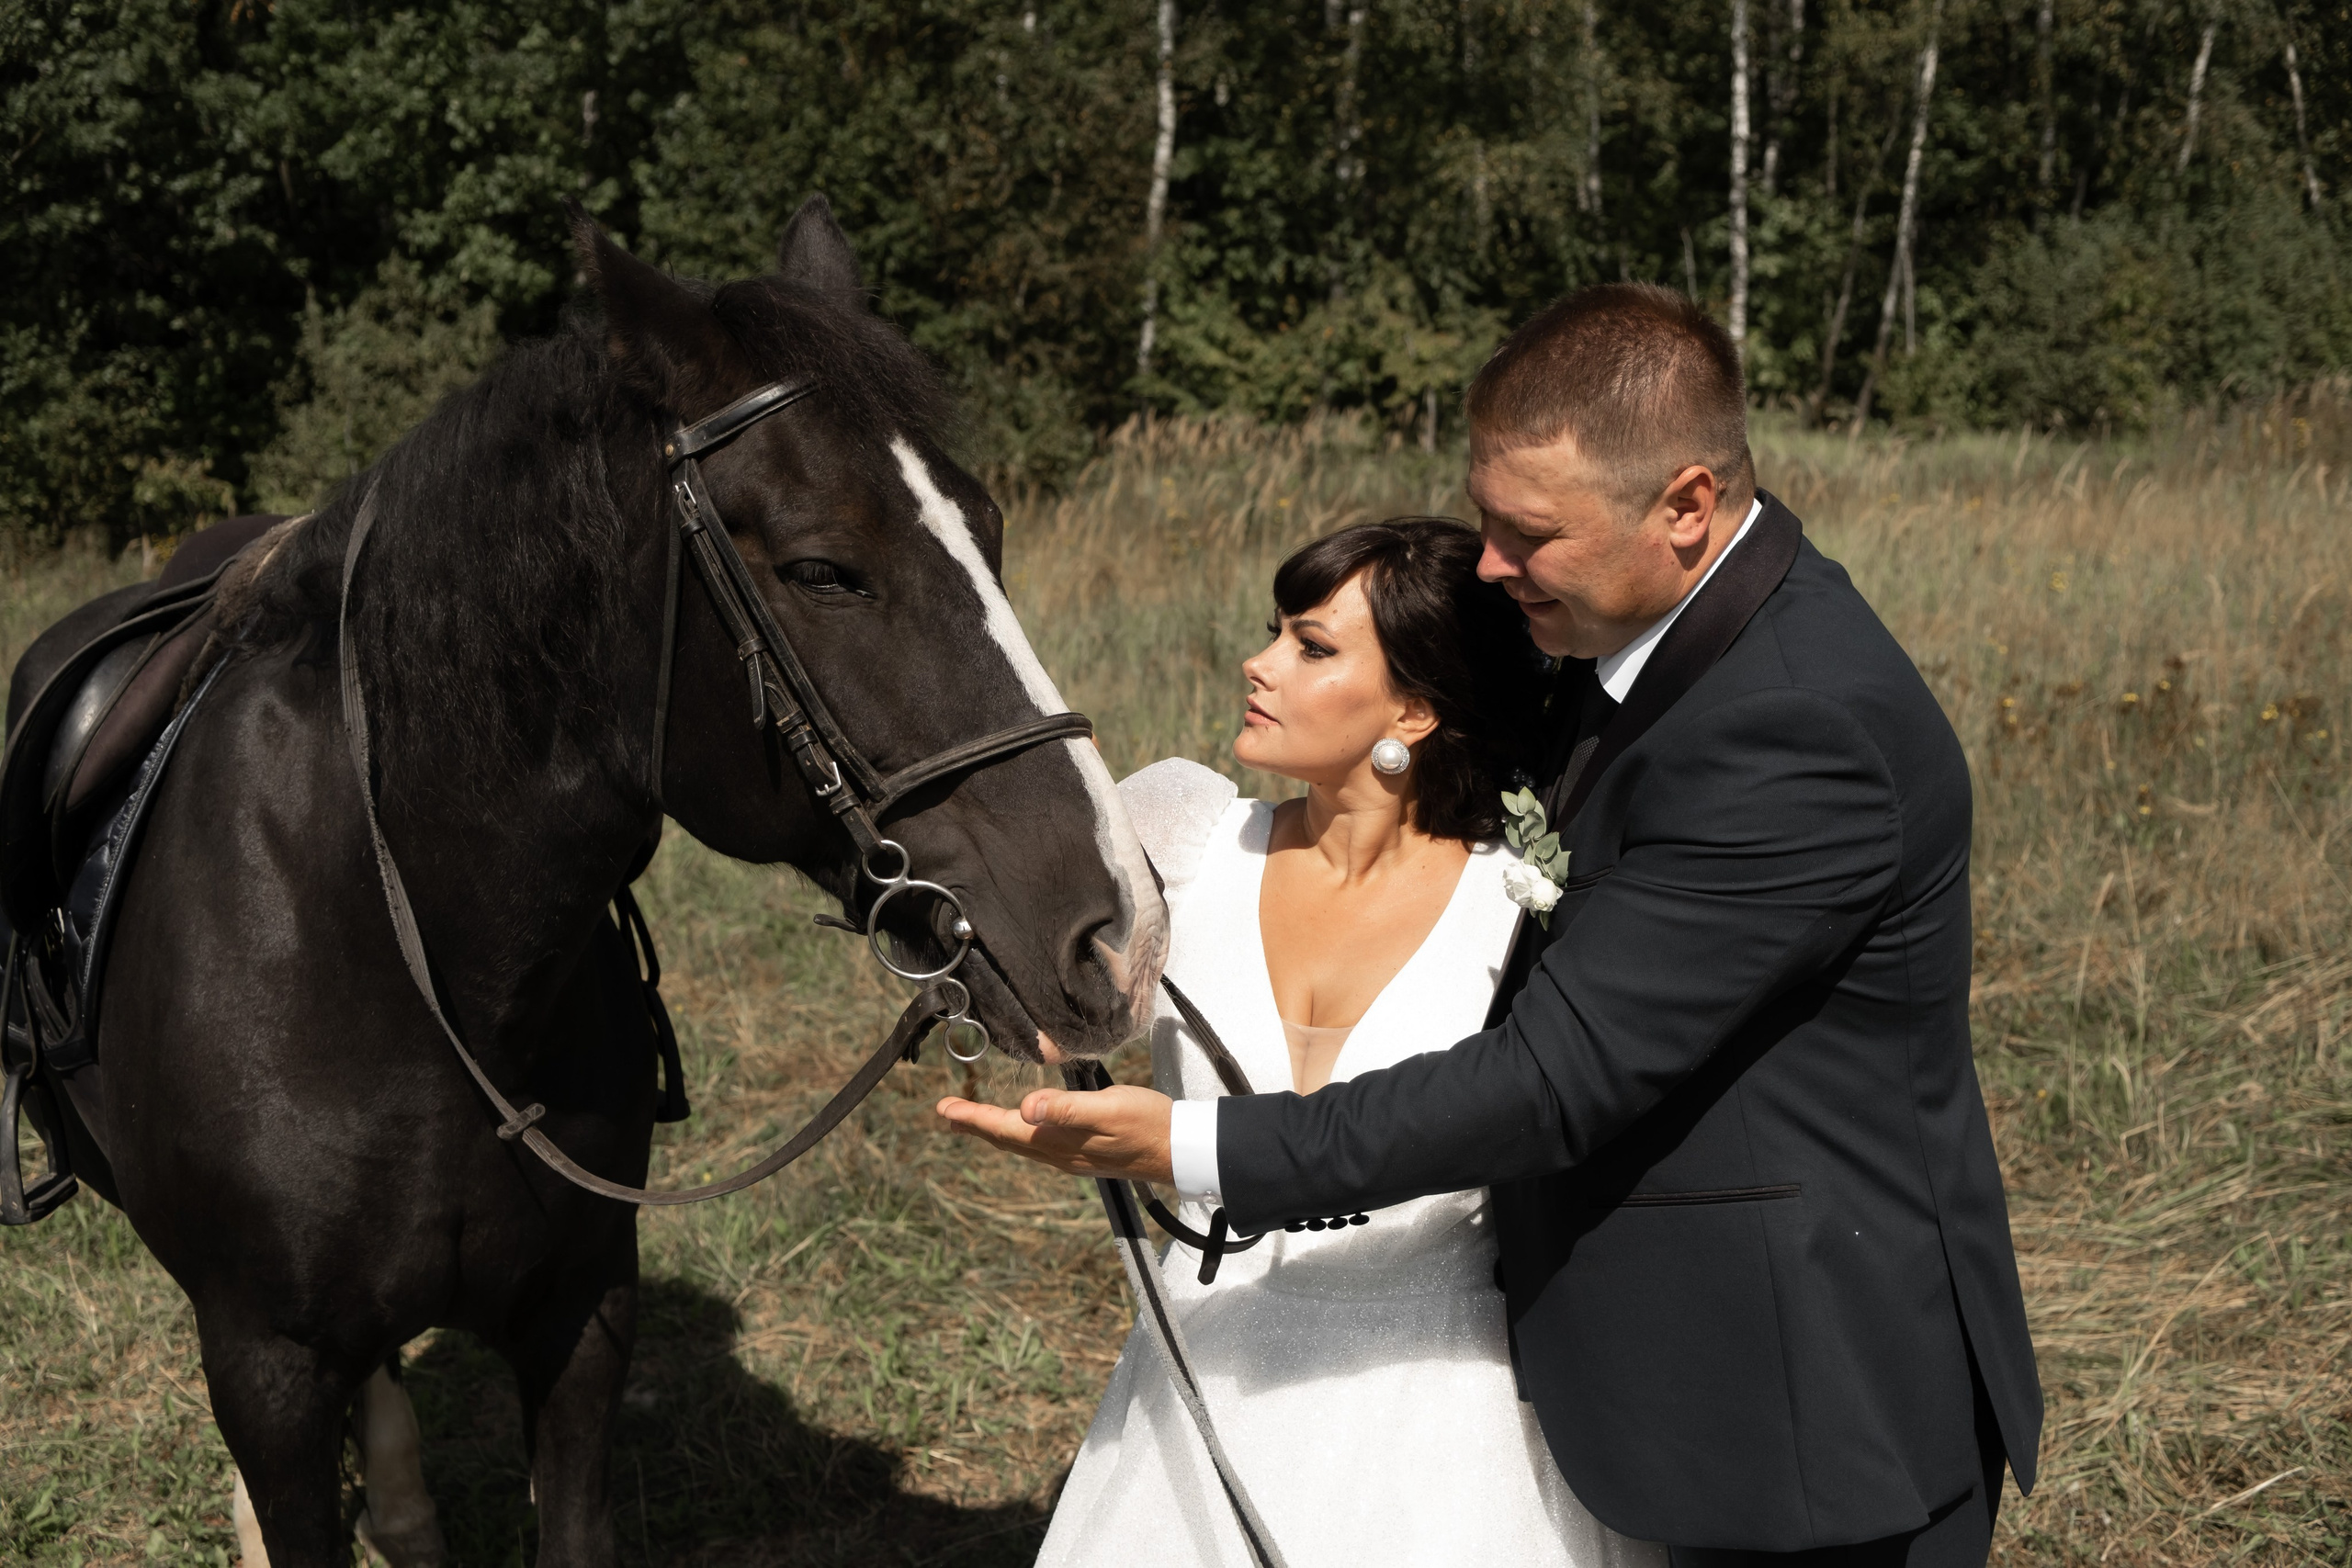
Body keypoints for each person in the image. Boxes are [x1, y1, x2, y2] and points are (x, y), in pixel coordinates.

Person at [940, 284, 2041, 1568]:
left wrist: (1195, 1142)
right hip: (1658, 1374)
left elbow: (1552, 1078)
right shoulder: (1637, 643)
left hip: (1795, 1401)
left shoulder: (1793, 729)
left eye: (1529, 534)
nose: (1492, 564)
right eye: (1485, 520)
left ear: (1687, 506)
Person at [1034, 517, 1663, 1568]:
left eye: (1311, 646)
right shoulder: (1184, 839)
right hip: (1204, 1370)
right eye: (1273, 633)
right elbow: (1047, 1017)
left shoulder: (1525, 898)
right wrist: (1050, 853)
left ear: (1414, 710)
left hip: (1448, 1414)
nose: (1260, 663)